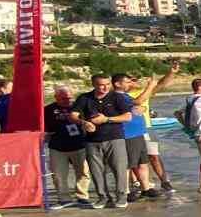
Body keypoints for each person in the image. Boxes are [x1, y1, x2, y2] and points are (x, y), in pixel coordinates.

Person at [71, 73, 134, 209]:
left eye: (107, 84)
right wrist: (83, 123)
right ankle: (103, 197)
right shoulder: (84, 98)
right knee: (96, 170)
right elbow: (73, 115)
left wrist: (107, 119)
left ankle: (121, 196)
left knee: (119, 168)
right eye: (101, 85)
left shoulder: (117, 97)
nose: (105, 87)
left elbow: (128, 116)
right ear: (94, 84)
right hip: (91, 140)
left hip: (114, 138)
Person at [129, 63, 179, 194]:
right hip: (131, 131)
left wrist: (171, 73)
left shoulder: (143, 91)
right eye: (132, 79)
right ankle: (138, 182)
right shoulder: (118, 95)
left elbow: (161, 84)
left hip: (147, 128)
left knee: (154, 156)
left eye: (136, 79)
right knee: (134, 159)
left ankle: (164, 181)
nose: (136, 81)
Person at [44, 85, 93, 207]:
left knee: (83, 172)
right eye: (63, 99)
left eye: (69, 98)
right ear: (56, 98)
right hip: (57, 147)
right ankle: (63, 197)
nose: (67, 101)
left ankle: (82, 195)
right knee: (58, 174)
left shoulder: (78, 108)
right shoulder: (48, 110)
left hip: (79, 144)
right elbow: (42, 127)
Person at [111, 74, 153, 202]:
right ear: (117, 84)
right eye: (127, 82)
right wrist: (150, 86)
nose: (130, 84)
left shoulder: (125, 96)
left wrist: (139, 109)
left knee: (143, 162)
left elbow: (135, 107)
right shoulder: (117, 96)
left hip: (138, 133)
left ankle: (146, 189)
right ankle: (126, 191)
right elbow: (139, 101)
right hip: (128, 134)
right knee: (128, 164)